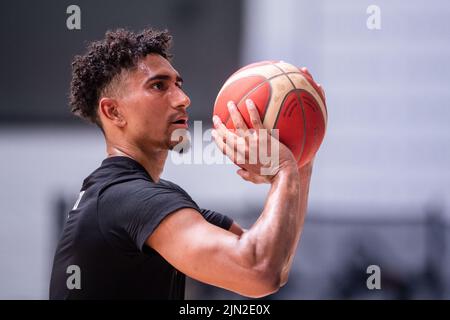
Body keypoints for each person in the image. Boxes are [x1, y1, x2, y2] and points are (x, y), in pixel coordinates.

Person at [49, 28, 315, 300]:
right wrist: (284, 172)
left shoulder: (138, 196)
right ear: (113, 111)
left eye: (178, 84)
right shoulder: (125, 199)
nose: (183, 99)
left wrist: (301, 162)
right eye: (158, 86)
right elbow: (258, 270)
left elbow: (275, 260)